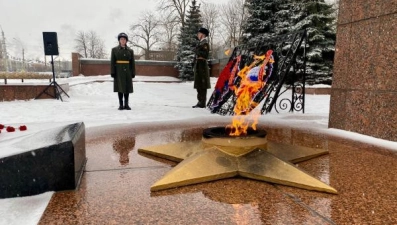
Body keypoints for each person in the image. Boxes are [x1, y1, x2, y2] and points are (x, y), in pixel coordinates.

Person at [110, 32, 136, 110]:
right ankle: (121, 105)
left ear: (126, 41)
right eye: (121, 39)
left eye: (124, 39)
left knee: (127, 88)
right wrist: (112, 72)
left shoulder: (130, 51)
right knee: (120, 88)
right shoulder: (114, 50)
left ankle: (126, 104)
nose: (123, 40)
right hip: (118, 71)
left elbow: (132, 63)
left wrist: (133, 72)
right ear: (119, 40)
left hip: (127, 71)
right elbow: (112, 62)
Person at [192, 27, 211, 108]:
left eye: (199, 33)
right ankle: (200, 101)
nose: (197, 34)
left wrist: (196, 50)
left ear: (203, 35)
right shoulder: (200, 43)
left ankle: (202, 103)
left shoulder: (205, 43)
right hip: (199, 64)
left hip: (202, 65)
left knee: (202, 84)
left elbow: (205, 55)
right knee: (199, 84)